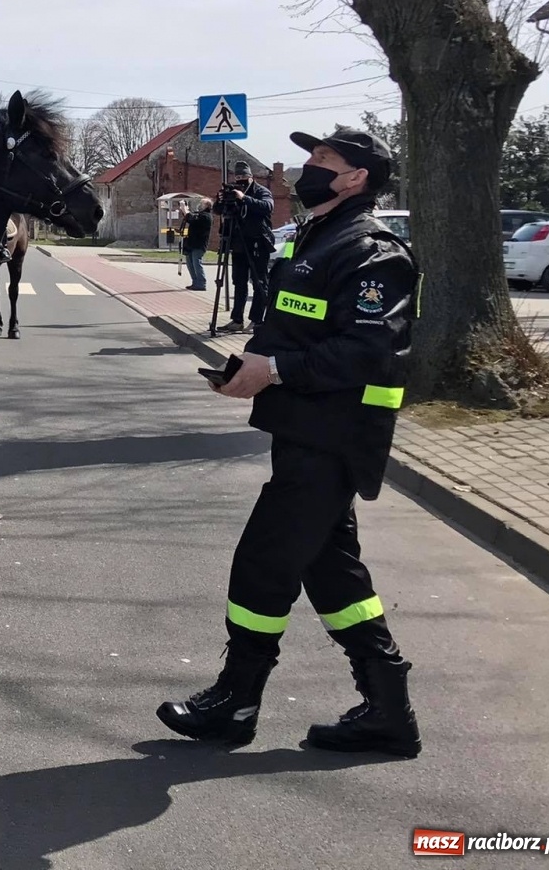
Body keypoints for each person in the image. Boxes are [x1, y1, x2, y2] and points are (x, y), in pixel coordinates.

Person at [158, 127, 421, 758]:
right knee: (331, 571)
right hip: (304, 428)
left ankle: (236, 700)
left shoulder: (374, 252)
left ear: (355, 178)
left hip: (337, 434)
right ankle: (388, 711)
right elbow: (303, 328)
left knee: (264, 562)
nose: (308, 167)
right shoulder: (318, 236)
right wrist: (251, 364)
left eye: (323, 161)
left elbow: (366, 349)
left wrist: (271, 372)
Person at [216, 160, 276, 333]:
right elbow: (218, 211)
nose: (240, 180)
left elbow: (268, 207)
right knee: (239, 282)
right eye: (238, 177)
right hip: (238, 243)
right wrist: (221, 199)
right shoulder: (232, 191)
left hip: (258, 241)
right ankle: (236, 320)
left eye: (244, 176)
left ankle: (256, 320)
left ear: (251, 177)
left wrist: (245, 198)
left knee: (259, 282)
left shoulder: (261, 191)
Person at [182, 198, 212, 291]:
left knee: (196, 263)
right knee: (190, 263)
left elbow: (193, 219)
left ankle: (201, 283)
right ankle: (195, 282)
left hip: (199, 244)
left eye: (202, 203)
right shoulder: (199, 214)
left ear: (207, 206)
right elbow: (190, 217)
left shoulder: (206, 216)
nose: (199, 205)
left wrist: (185, 210)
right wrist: (186, 210)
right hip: (191, 243)